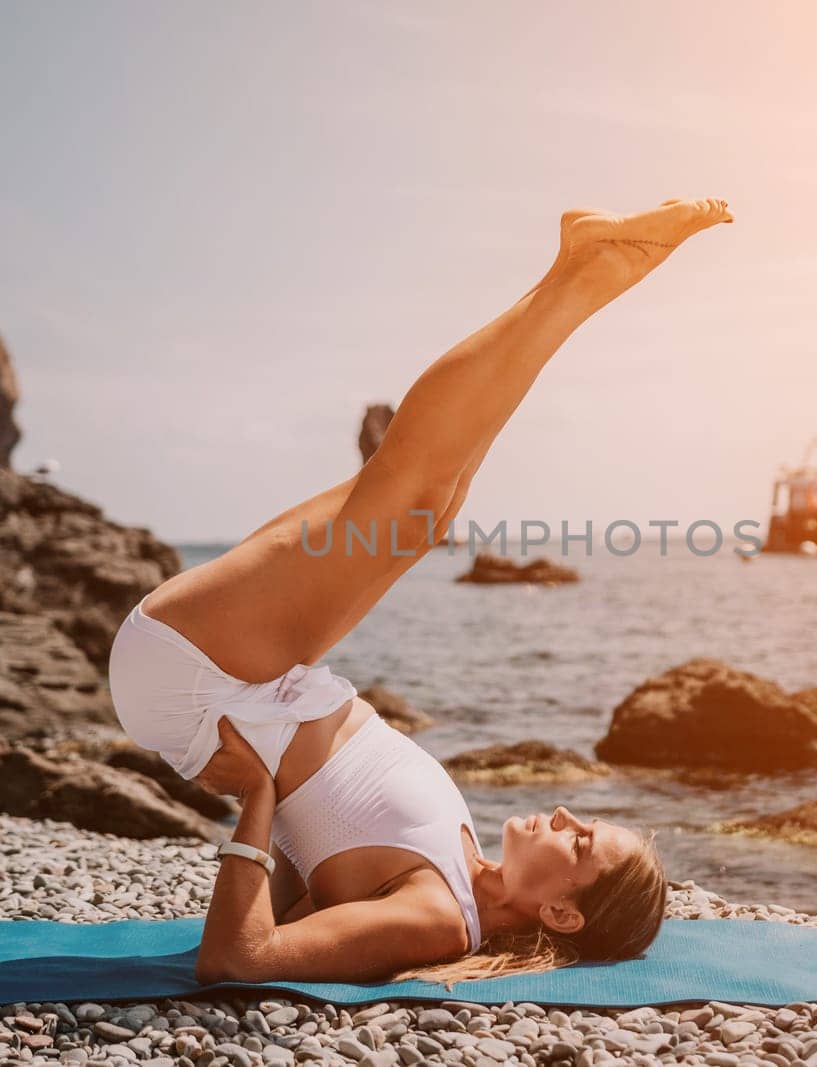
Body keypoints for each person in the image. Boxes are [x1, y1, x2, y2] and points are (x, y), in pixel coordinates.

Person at [107, 198, 734, 987]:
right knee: (430, 504)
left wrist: (258, 796)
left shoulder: (439, 918)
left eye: (582, 845)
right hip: (248, 671)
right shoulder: (464, 860)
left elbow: (237, 960)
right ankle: (576, 272)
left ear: (563, 914)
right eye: (589, 822)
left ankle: (581, 276)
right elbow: (316, 869)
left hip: (199, 678)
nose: (570, 816)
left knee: (409, 500)